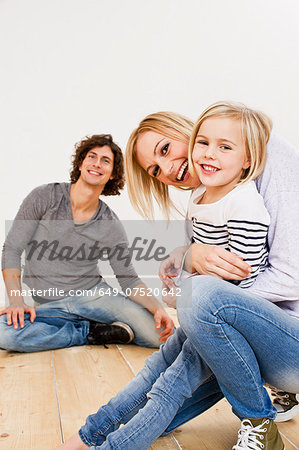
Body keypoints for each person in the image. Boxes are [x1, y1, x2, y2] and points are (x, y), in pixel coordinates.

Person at [57, 103, 299, 450]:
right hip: (248, 339)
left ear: (190, 129)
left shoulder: (266, 155)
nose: (169, 169)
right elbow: (187, 289)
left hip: (289, 341)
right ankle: (90, 434)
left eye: (167, 149)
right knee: (167, 376)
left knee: (195, 320)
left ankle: (259, 420)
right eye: (156, 169)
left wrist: (204, 304)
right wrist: (188, 257)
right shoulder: (202, 199)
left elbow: (289, 277)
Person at [0, 134, 174, 352]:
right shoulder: (44, 197)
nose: (97, 164)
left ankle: (88, 327)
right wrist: (16, 300)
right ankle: (90, 332)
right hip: (48, 304)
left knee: (163, 338)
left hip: (95, 296)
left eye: (106, 161)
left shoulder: (110, 223)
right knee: (4, 334)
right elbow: (12, 249)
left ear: (112, 175)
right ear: (81, 163)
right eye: (92, 156)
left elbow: (128, 279)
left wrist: (157, 308)